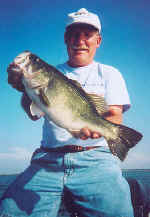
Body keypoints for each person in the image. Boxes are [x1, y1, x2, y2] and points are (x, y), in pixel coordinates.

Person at [0, 8, 134, 217]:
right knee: (10, 211)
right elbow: (34, 112)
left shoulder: (110, 73)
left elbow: (114, 116)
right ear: (65, 39)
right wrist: (24, 90)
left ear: (97, 41)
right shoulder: (54, 73)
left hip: (96, 158)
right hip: (48, 159)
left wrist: (102, 130)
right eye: (74, 34)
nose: (80, 40)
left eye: (87, 35)